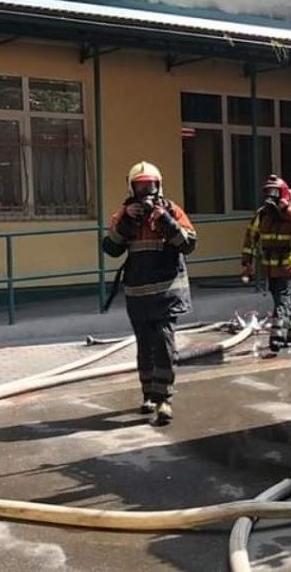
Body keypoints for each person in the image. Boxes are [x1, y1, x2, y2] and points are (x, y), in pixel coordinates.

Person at [103, 161, 197, 427]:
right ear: (132, 188)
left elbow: (189, 245)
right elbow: (110, 249)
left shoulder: (170, 210)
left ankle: (164, 399)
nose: (146, 192)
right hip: (138, 294)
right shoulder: (124, 214)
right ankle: (149, 395)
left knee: (164, 343)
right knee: (144, 345)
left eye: (151, 186)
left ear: (159, 186)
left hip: (168, 292)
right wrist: (125, 223)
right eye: (141, 187)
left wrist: (165, 222)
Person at [241, 175, 291, 349]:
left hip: (289, 264)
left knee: (282, 299)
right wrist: (247, 263)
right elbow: (251, 237)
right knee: (282, 299)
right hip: (270, 267)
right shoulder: (262, 214)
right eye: (268, 194)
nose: (270, 198)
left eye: (274, 194)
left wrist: (287, 211)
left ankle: (277, 337)